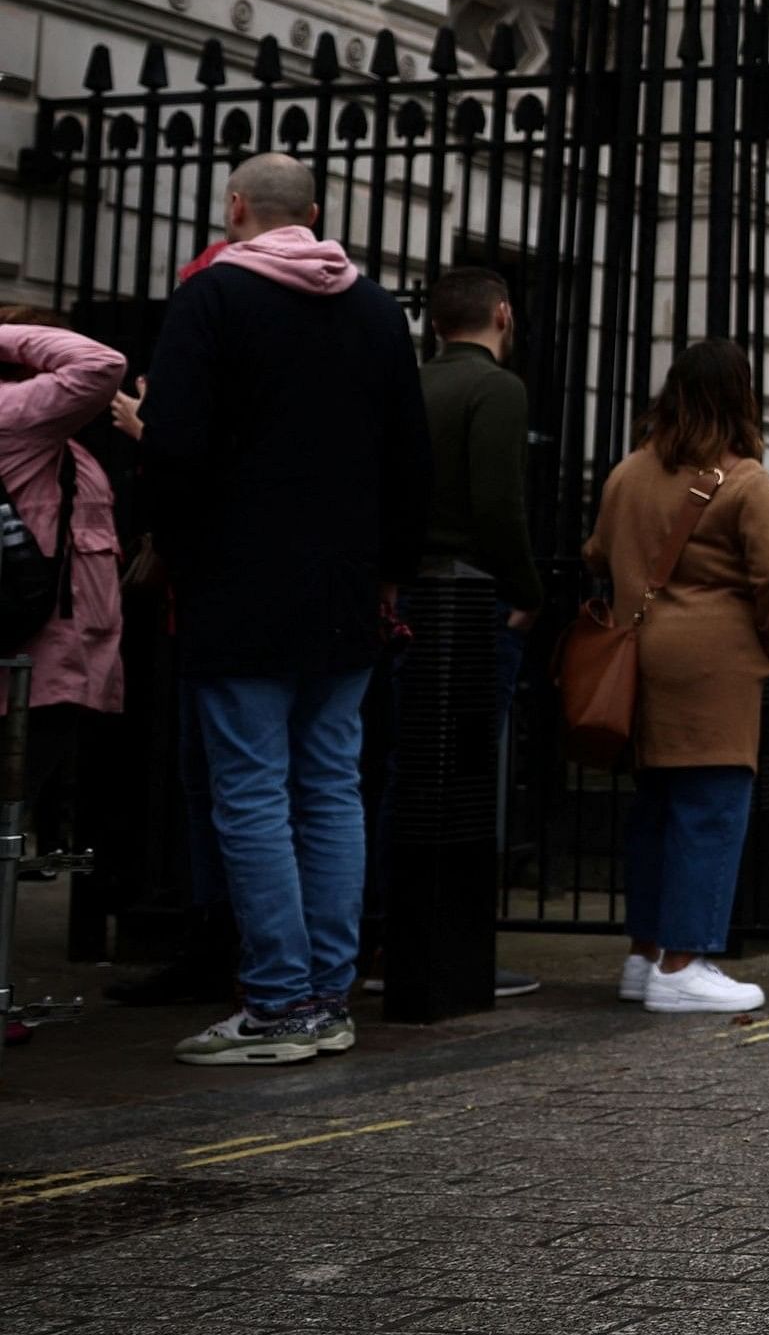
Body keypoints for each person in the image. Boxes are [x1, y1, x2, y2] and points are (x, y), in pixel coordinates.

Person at [140, 153, 434, 1066]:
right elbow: (409, 456)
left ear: (236, 207)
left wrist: (174, 554)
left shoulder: (211, 300)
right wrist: (390, 573)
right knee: (331, 785)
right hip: (346, 589)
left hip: (239, 584)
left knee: (252, 792)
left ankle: (277, 1000)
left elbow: (176, 447)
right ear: (312, 213)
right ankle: (329, 995)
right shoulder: (377, 311)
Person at [584, 340, 769, 1014]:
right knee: (711, 809)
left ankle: (645, 956)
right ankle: (685, 961)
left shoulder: (627, 473)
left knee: (656, 812)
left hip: (640, 658)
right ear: (740, 397)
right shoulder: (743, 480)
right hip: (714, 664)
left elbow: (595, 552)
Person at [416, 263, 544, 1000]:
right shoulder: (496, 388)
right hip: (471, 603)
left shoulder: (415, 382)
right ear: (502, 312)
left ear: (436, 322)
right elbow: (500, 503)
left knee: (405, 769)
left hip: (410, 596)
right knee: (469, 773)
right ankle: (458, 946)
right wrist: (527, 591)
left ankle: (390, 934)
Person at [0, 309, 128, 880]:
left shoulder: (53, 439)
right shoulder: (15, 414)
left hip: (57, 665)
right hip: (35, 665)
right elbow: (100, 364)